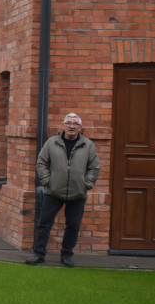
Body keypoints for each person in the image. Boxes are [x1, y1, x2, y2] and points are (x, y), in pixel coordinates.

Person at [26, 113, 101, 267]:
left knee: (73, 226)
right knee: (44, 223)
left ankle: (66, 255)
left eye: (75, 124)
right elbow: (41, 163)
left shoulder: (88, 145)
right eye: (68, 123)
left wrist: (86, 183)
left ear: (80, 127)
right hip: (53, 192)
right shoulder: (51, 143)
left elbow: (94, 167)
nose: (71, 126)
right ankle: (38, 254)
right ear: (63, 125)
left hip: (77, 193)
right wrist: (48, 181)